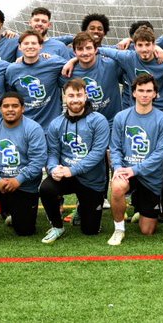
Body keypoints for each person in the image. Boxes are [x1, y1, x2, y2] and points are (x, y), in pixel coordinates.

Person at [0, 91, 47, 246]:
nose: (10, 109)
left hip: (24, 183)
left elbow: (38, 161)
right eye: (6, 106)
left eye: (15, 106)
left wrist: (19, 180)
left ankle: (15, 213)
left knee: (25, 231)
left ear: (23, 109)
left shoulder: (33, 129)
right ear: (0, 109)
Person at [39, 78, 111, 243]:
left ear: (86, 96)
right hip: (66, 175)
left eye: (79, 95)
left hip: (91, 179)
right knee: (46, 188)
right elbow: (53, 153)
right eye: (71, 95)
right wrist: (52, 168)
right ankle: (57, 226)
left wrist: (72, 170)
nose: (75, 99)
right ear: (65, 97)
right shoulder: (56, 124)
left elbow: (98, 153)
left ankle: (83, 208)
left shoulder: (98, 120)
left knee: (90, 231)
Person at [107, 74, 163, 246]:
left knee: (147, 231)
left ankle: (140, 207)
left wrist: (134, 170)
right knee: (117, 187)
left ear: (155, 94)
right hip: (127, 171)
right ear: (133, 93)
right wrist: (119, 168)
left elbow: (160, 154)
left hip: (150, 176)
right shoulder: (121, 117)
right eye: (140, 90)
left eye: (149, 91)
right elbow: (115, 147)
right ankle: (119, 229)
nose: (144, 94)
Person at [5, 30, 67, 126]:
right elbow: (11, 96)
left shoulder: (53, 62)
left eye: (34, 43)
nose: (30, 46)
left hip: (51, 125)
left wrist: (73, 60)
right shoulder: (12, 70)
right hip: (25, 126)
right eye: (26, 43)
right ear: (20, 47)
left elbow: (74, 64)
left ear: (40, 46)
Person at [64, 32, 123, 121]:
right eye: (80, 49)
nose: (85, 52)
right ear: (74, 52)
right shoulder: (68, 72)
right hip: (84, 125)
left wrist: (129, 39)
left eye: (88, 48)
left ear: (96, 50)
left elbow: (132, 55)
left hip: (112, 123)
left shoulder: (111, 65)